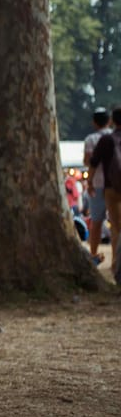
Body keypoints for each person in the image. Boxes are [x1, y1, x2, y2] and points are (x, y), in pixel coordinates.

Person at [88, 106, 121, 284]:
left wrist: (89, 182)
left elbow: (93, 162)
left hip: (111, 188)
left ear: (113, 121)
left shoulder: (106, 139)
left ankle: (117, 267)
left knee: (116, 227)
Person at [83, 107, 111, 263]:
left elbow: (87, 161)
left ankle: (93, 254)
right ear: (109, 121)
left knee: (96, 221)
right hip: (115, 184)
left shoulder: (90, 139)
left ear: (94, 122)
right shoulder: (114, 137)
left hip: (97, 184)